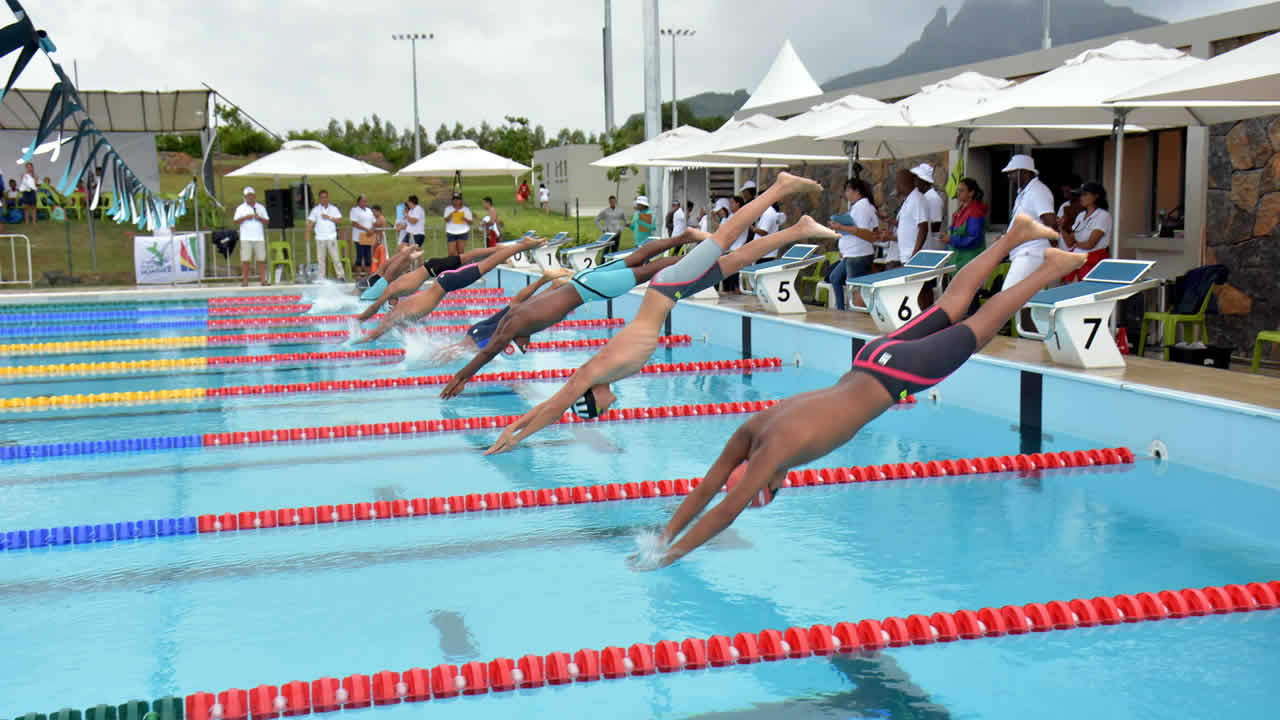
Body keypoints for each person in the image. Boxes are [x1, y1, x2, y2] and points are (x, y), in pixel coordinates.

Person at [633, 214, 1083, 569]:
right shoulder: (755, 428)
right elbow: (710, 484)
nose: (775, 485)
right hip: (870, 358)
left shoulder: (773, 455)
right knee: (951, 307)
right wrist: (663, 536)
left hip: (896, 376)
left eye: (766, 491)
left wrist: (669, 558)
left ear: (764, 483)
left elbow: (722, 509)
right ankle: (1014, 235)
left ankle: (1048, 269)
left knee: (978, 328)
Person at [484, 172, 837, 455]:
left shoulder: (591, 374)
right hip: (673, 292)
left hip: (667, 287)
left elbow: (554, 407)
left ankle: (779, 187)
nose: (609, 409)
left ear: (592, 399)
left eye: (601, 410)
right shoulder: (604, 376)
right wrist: (514, 427)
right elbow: (551, 404)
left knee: (723, 238)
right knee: (737, 261)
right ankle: (798, 229)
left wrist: (516, 436)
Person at [440, 233, 704, 398]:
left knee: (648, 271)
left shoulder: (514, 325)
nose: (524, 346)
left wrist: (460, 377)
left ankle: (702, 257)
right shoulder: (517, 310)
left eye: (521, 344)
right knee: (638, 257)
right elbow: (507, 331)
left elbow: (488, 352)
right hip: (582, 278)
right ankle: (685, 237)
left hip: (589, 289)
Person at [354, 236, 545, 343]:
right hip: (441, 279)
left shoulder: (394, 314)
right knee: (481, 262)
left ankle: (521, 246)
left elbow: (374, 333)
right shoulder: (399, 311)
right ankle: (518, 246)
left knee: (485, 264)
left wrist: (356, 337)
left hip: (445, 281)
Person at [1001, 154, 1058, 331]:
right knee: (1029, 300)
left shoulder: (1037, 191)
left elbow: (1050, 221)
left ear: (1023, 172)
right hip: (1023, 252)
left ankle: (1034, 335)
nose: (1009, 177)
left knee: (1008, 296)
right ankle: (1036, 338)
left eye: (1012, 173)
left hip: (1032, 253)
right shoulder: (1024, 193)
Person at [826, 178, 879, 311]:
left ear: (857, 191)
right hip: (852, 253)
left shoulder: (862, 207)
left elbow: (860, 230)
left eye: (848, 190)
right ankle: (840, 309)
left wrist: (840, 226)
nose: (846, 193)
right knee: (835, 277)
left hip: (857, 254)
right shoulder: (861, 206)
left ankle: (852, 313)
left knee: (853, 288)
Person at [1060, 181, 1112, 283]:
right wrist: (1062, 227)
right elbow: (1069, 242)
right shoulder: (1080, 216)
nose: (1081, 198)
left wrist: (1075, 243)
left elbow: (1090, 244)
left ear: (1096, 196)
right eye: (1081, 195)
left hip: (1094, 262)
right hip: (1078, 260)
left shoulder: (1102, 215)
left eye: (1085, 194)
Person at [882, 169, 927, 270]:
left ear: (903, 183)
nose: (897, 185)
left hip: (913, 256)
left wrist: (915, 254)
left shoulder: (917, 199)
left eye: (898, 182)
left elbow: (923, 228)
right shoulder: (909, 200)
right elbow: (907, 225)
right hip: (905, 255)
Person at [947, 178, 988, 272]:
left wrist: (951, 239)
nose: (958, 193)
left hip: (969, 261)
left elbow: (974, 239)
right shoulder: (960, 210)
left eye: (961, 190)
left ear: (971, 193)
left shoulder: (975, 211)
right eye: (958, 190)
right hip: (957, 260)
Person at [233, 186, 269, 287]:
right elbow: (235, 221)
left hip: (259, 237)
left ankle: (263, 280)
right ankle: (245, 281)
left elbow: (267, 221)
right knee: (245, 260)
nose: (249, 198)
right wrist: (245, 217)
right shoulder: (240, 208)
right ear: (244, 197)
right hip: (246, 238)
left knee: (261, 259)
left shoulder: (261, 207)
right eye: (247, 196)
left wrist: (259, 218)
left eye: (251, 195)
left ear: (254, 196)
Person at [306, 189, 344, 281]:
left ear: (328, 197)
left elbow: (339, 220)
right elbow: (310, 222)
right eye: (322, 197)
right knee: (321, 259)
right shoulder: (316, 210)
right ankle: (322, 277)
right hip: (320, 237)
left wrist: (329, 217)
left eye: (325, 197)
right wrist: (307, 233)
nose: (324, 199)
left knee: (335, 258)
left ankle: (340, 276)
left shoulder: (333, 209)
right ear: (319, 198)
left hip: (331, 237)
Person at [912, 164, 944, 250]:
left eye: (916, 179)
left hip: (930, 246)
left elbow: (936, 224)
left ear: (923, 180)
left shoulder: (933, 198)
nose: (914, 182)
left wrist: (921, 230)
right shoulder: (922, 197)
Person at [348, 195, 377, 277]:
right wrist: (366, 229)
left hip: (368, 236)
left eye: (366, 201)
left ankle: (368, 275)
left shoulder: (369, 211)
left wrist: (371, 230)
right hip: (359, 237)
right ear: (358, 202)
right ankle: (358, 275)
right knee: (359, 256)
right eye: (363, 201)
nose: (365, 203)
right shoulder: (354, 210)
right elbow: (354, 223)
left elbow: (373, 222)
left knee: (368, 256)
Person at [444, 192, 473, 256]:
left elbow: (471, 222)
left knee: (461, 252)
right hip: (451, 231)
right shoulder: (448, 209)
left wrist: (465, 219)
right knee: (451, 252)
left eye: (458, 199)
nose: (456, 201)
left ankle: (460, 265)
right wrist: (452, 214)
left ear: (461, 200)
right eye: (454, 199)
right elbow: (446, 220)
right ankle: (451, 265)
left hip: (462, 231)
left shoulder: (466, 210)